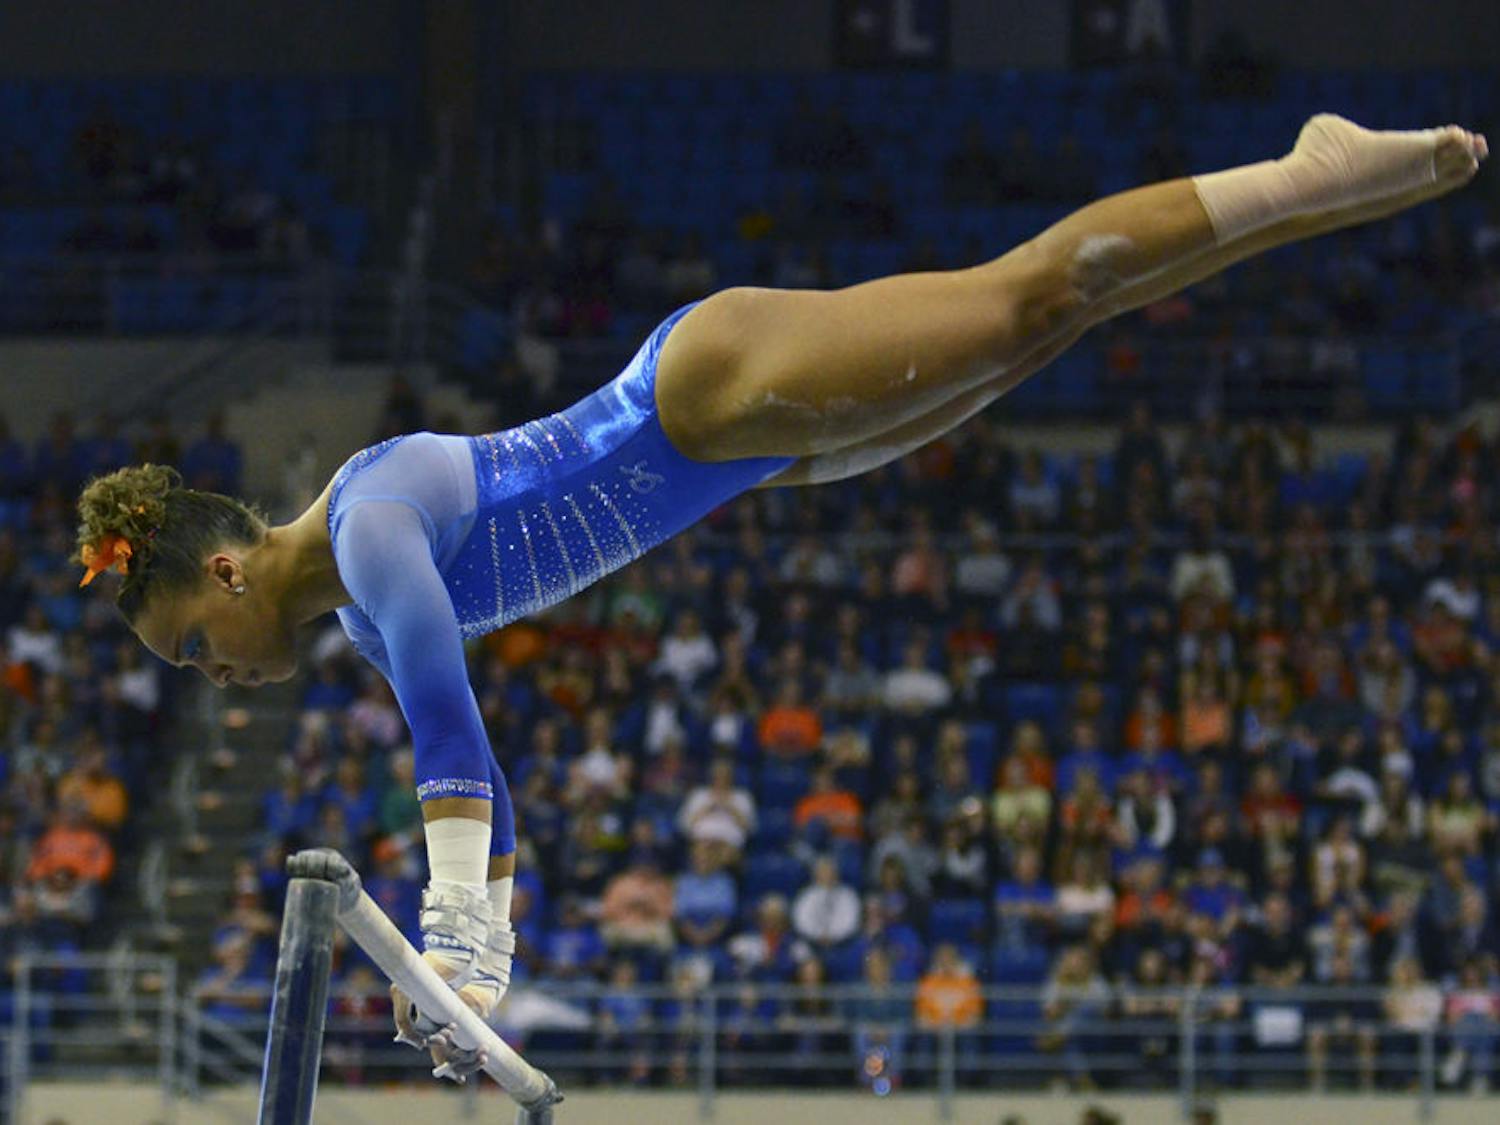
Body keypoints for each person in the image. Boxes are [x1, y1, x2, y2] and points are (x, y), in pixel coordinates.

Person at [73, 115, 1487, 1077]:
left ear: (225, 567)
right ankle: (1312, 192)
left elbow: (447, 728)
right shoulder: (366, 602)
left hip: (703, 394)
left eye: (197, 649)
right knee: (1065, 315)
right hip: (750, 449)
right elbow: (485, 791)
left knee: (1040, 292)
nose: (216, 676)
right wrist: (475, 987)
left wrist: (451, 948)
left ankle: (1307, 174)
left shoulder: (374, 523)